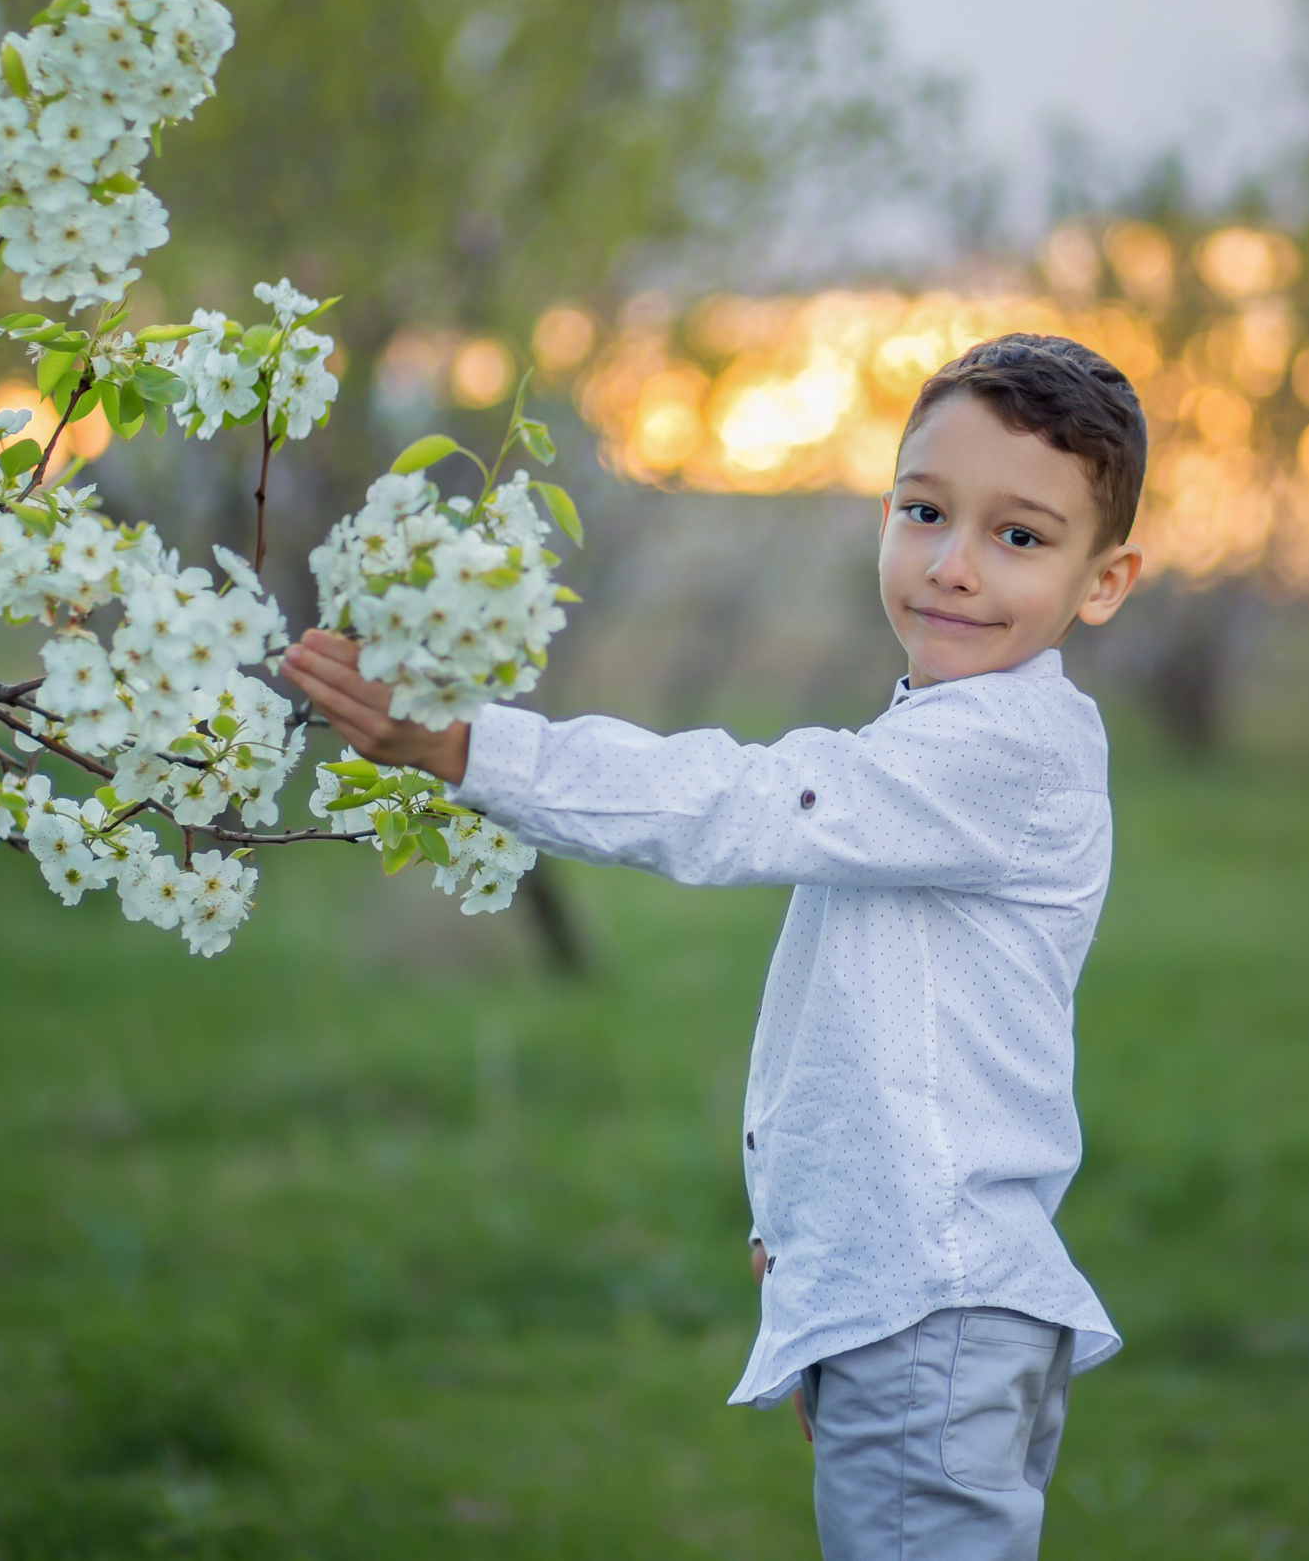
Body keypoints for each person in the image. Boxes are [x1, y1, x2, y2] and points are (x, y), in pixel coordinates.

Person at [285, 332, 1148, 1560]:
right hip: (911, 1298)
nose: (952, 566)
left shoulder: (1003, 752)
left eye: (1019, 536)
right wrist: (805, 1260)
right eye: (923, 511)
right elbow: (887, 1029)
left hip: (936, 1304)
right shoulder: (944, 739)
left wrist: (478, 748)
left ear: (1104, 581)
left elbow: (741, 803)